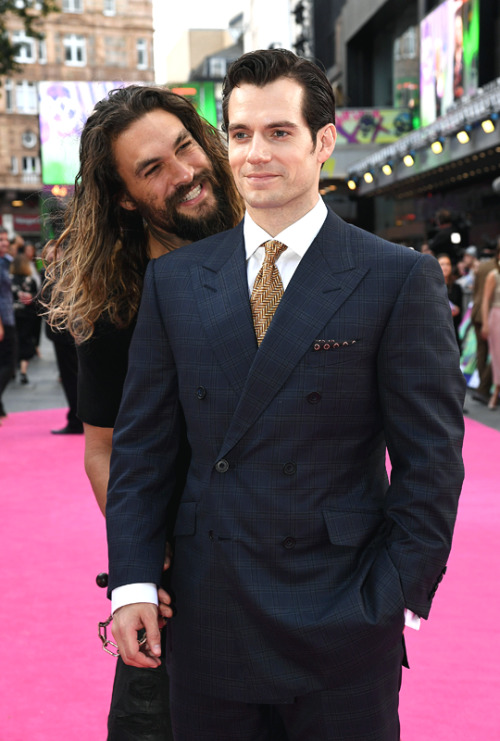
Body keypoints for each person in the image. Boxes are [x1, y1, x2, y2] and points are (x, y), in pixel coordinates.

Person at [106, 50, 466, 741]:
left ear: (322, 141)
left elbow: (431, 461)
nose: (255, 154)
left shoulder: (395, 278)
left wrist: (392, 597)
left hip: (341, 616)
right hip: (210, 614)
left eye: (278, 132)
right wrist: (132, 582)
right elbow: (142, 452)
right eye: (240, 134)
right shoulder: (177, 282)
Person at [43, 84, 244, 740]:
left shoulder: (279, 252)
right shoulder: (118, 303)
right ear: (124, 196)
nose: (184, 174)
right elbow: (103, 449)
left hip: (297, 573)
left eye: (185, 147)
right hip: (179, 585)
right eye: (152, 168)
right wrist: (143, 560)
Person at [470, 248, 497, 404]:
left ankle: (483, 388)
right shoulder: (494, 269)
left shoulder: (483, 266)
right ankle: (483, 389)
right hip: (490, 313)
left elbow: (475, 289)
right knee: (494, 353)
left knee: (482, 351)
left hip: (477, 312)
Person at [10, 253, 38, 384]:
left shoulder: (8, 280)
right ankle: (23, 371)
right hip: (26, 316)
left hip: (12, 315)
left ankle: (12, 370)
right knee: (25, 340)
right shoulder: (30, 280)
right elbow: (35, 298)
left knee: (14, 341)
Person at [0, 227, 18, 423]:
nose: (4, 243)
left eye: (6, 239)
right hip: (3, 320)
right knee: (9, 364)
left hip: (9, 316)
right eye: (0, 240)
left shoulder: (6, 262)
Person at [481, 240, 500, 409]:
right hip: (497, 316)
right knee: (497, 356)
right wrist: (485, 323)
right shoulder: (493, 275)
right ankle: (495, 392)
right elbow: (485, 301)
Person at [437, 253, 463, 349]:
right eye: (442, 264)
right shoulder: (431, 286)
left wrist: (456, 310)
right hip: (438, 329)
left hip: (453, 328)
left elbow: (460, 309)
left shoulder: (457, 287)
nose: (445, 267)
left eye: (448, 264)